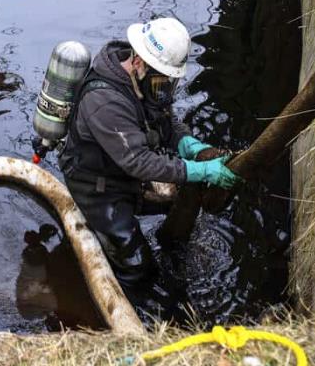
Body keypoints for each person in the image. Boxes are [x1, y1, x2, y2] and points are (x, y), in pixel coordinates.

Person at [57, 17, 240, 290]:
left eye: (169, 83)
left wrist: (188, 144)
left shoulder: (143, 83)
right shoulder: (104, 102)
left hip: (122, 170)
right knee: (138, 268)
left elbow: (165, 119)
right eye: (160, 84)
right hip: (96, 185)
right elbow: (138, 161)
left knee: (174, 200)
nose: (165, 91)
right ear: (139, 63)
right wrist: (196, 171)